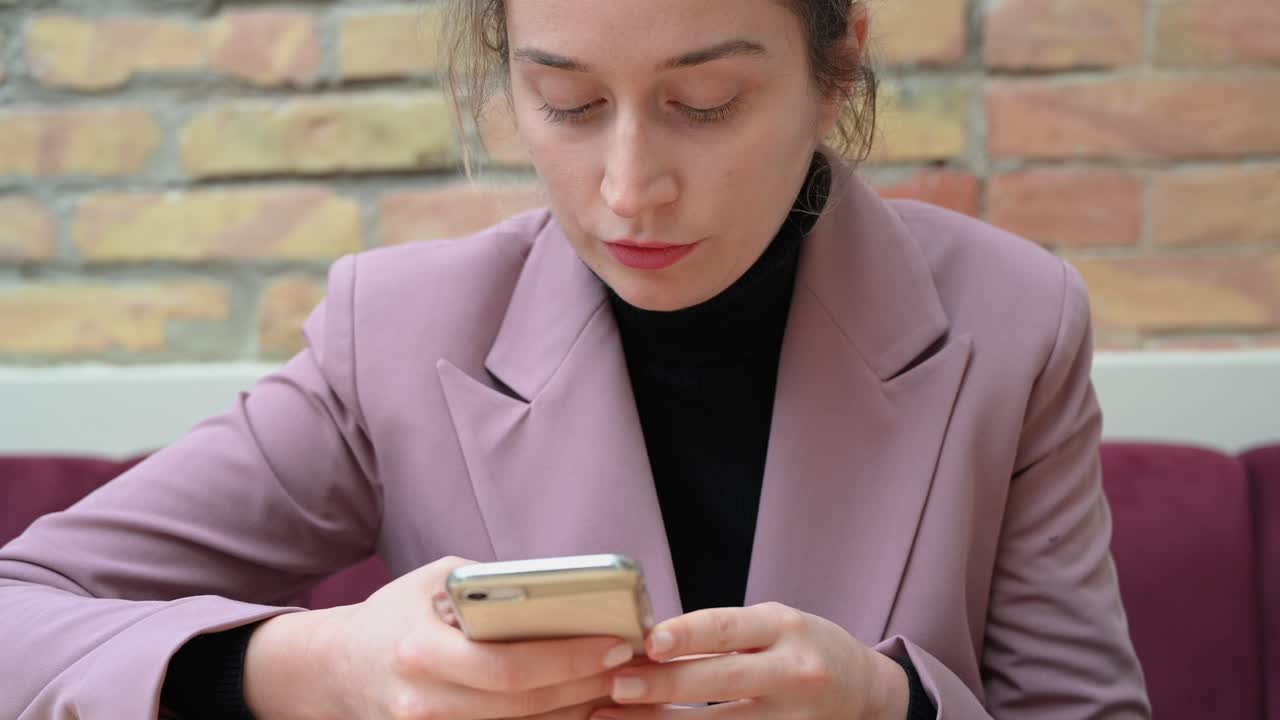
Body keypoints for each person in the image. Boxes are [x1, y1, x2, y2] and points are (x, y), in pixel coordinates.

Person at [0, 1, 1151, 718]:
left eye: (705, 102)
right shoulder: (397, 332)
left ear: (836, 60)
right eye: (567, 101)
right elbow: (21, 614)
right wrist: (318, 671)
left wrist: (894, 707)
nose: (625, 188)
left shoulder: (1012, 322)